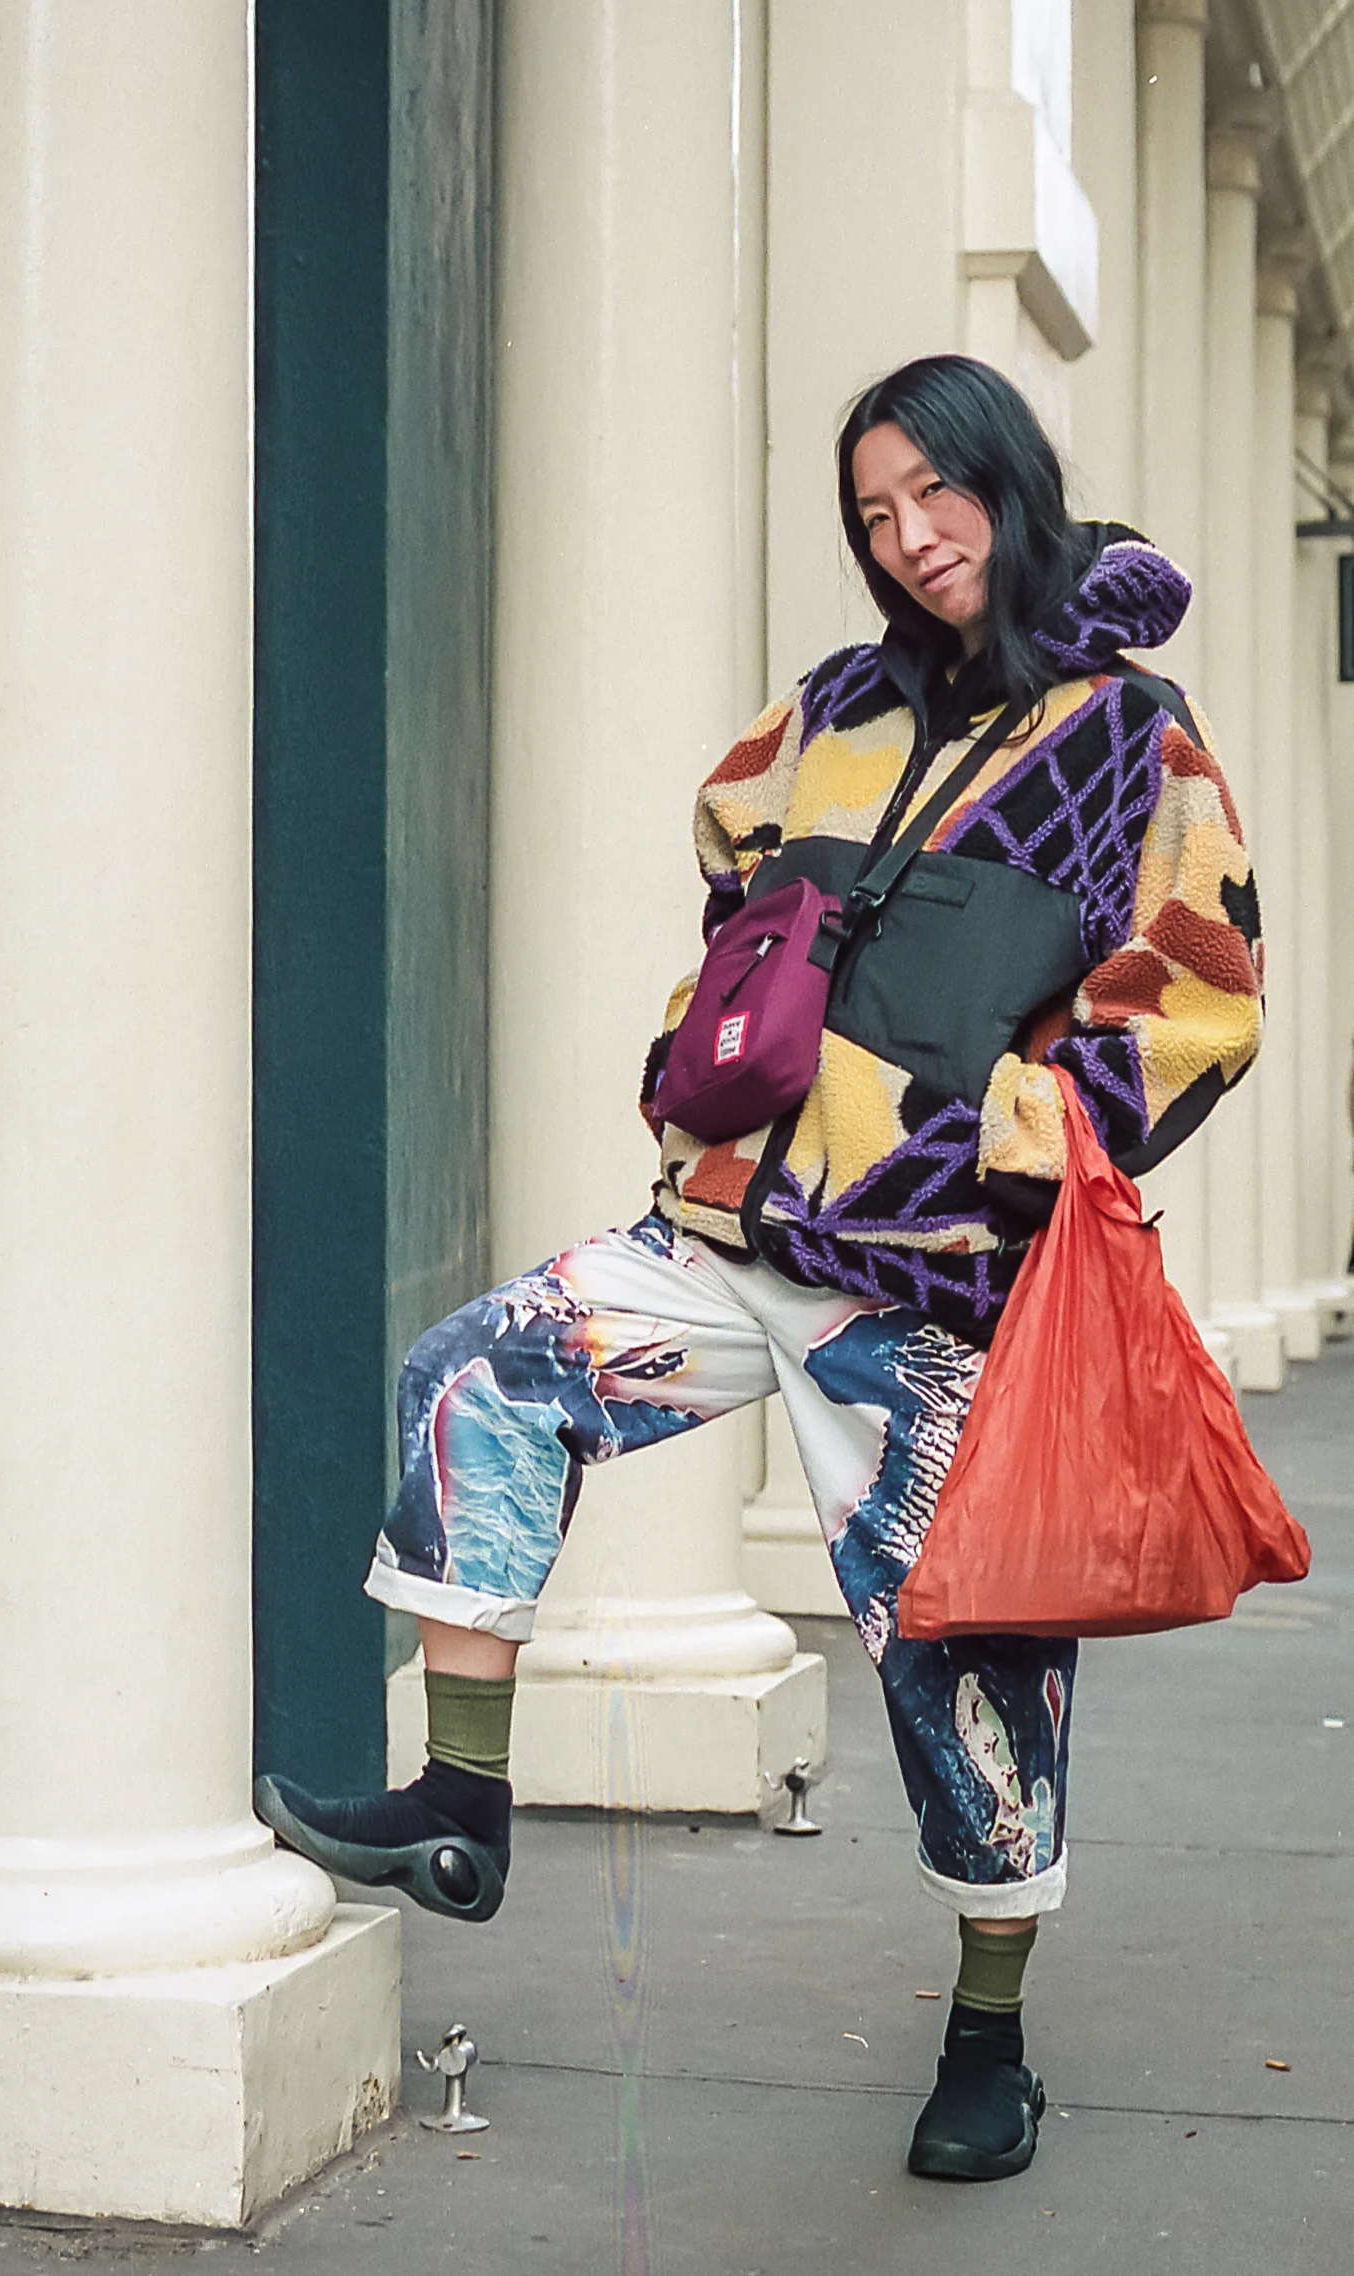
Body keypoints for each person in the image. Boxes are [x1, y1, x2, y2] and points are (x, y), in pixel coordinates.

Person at [257, 354, 1264, 2183]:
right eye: (874, 512)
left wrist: (1001, 1137)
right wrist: (696, 1054)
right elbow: (736, 889)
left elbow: (1203, 992)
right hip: (725, 1235)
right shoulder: (831, 711)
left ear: (1008, 481)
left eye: (935, 492)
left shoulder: (1135, 734)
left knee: (968, 1676)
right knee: (477, 1375)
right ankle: (463, 1797)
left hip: (930, 1284)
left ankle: (988, 2042)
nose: (910, 534)